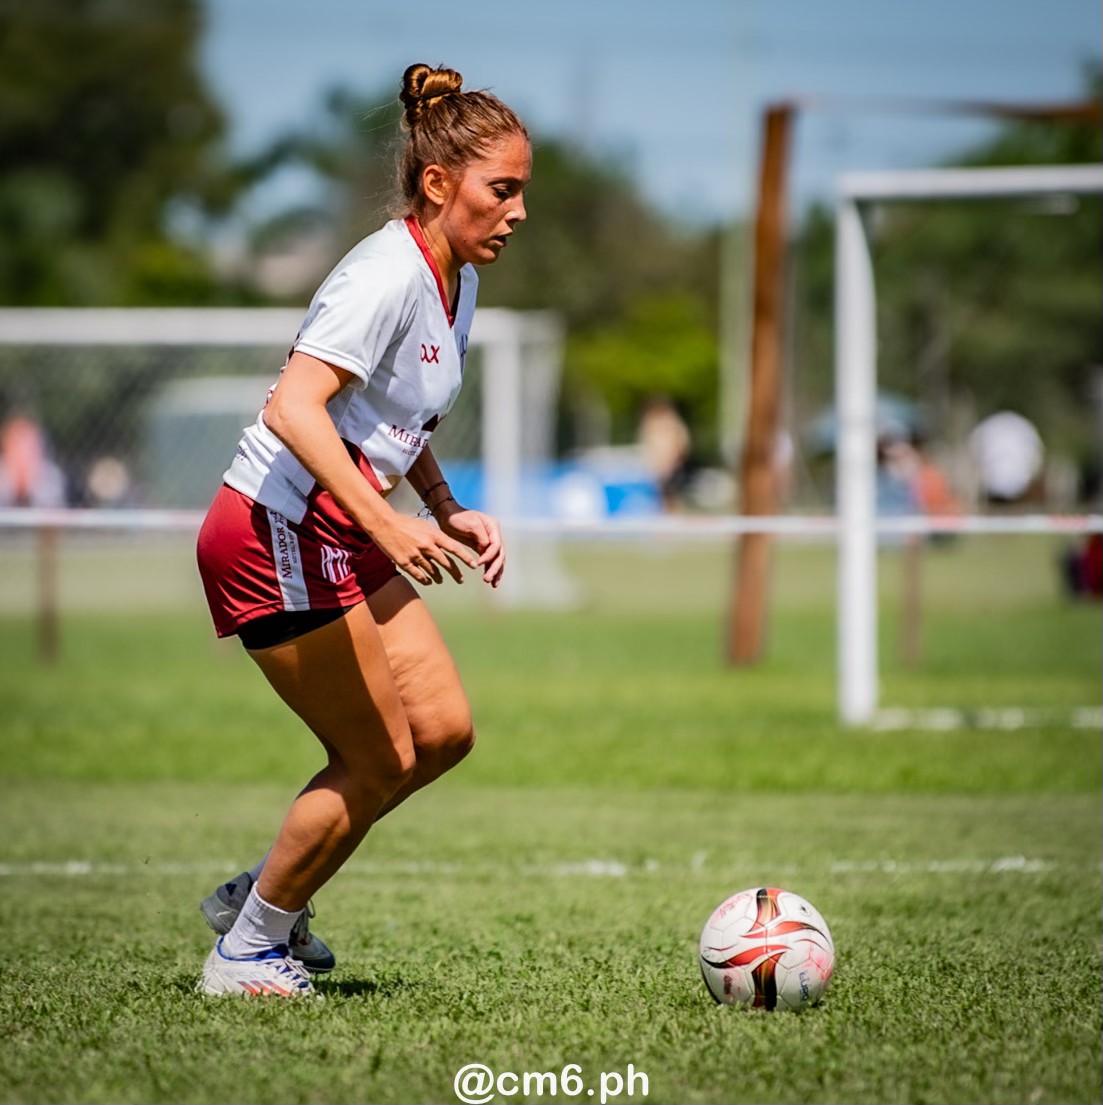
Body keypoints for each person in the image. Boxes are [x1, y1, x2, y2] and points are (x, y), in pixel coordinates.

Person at [194, 63, 530, 998]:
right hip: (274, 528)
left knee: (443, 731)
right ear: (437, 183)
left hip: (340, 530)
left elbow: (391, 419)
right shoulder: (384, 273)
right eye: (501, 189)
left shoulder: (456, 281)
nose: (517, 210)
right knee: (379, 754)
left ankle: (266, 898)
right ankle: (248, 950)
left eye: (520, 191)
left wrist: (444, 504)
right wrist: (388, 520)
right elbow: (295, 407)